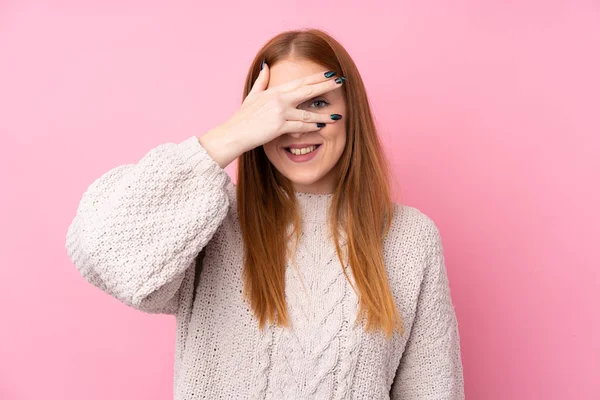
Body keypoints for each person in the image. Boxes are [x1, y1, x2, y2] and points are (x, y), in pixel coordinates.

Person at [65, 28, 464, 399]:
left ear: (351, 110)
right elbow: (102, 248)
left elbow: (432, 388)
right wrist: (228, 137)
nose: (297, 127)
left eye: (317, 104)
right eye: (280, 110)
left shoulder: (410, 238)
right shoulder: (209, 222)